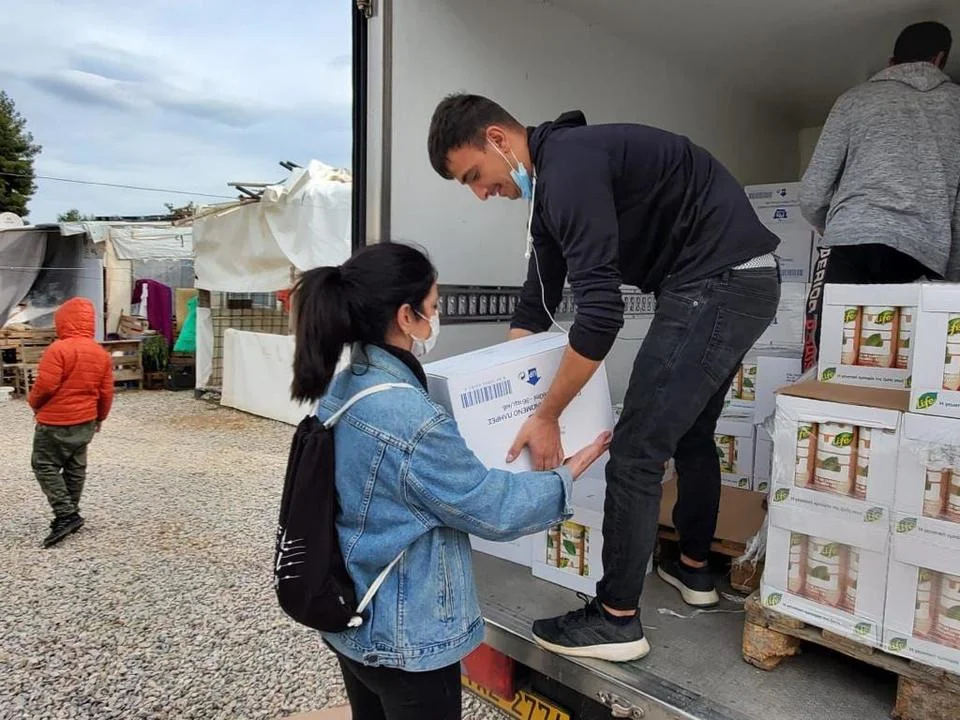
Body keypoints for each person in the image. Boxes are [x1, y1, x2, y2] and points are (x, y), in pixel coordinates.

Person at [428, 94, 781, 662]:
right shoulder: (554, 184)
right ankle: (693, 568)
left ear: (497, 139)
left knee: (636, 451)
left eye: (474, 176)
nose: (480, 193)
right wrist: (503, 394)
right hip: (737, 282)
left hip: (718, 283)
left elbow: (599, 317)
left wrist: (546, 414)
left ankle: (616, 620)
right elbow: (538, 299)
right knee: (688, 433)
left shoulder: (569, 168)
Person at [292, 242, 610, 720]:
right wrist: (566, 475)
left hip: (354, 615)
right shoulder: (411, 418)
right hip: (407, 636)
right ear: (406, 317)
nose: (435, 318)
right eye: (434, 306)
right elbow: (492, 510)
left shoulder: (347, 385)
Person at [799, 20, 960, 369]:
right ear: (940, 59)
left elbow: (812, 192)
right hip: (924, 252)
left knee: (828, 361)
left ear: (891, 62)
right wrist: (952, 281)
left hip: (850, 243)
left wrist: (831, 227)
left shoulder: (854, 99)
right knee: (901, 368)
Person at [28, 297, 114, 548]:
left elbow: (46, 386)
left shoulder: (58, 349)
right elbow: (106, 392)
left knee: (44, 465)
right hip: (85, 419)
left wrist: (33, 402)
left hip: (55, 420)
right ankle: (70, 513)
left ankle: (66, 514)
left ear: (63, 321)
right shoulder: (100, 353)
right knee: (75, 467)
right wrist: (100, 417)